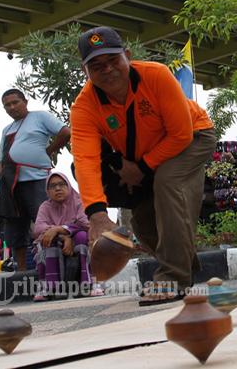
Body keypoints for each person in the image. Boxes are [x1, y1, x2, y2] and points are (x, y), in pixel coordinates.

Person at [70, 26, 216, 305]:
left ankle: (172, 276)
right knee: (142, 220)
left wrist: (143, 167)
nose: (108, 70)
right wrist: (97, 216)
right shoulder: (83, 108)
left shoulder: (156, 75)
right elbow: (86, 161)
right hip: (145, 157)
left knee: (168, 183)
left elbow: (180, 135)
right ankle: (184, 267)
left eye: (114, 60)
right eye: (97, 65)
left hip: (193, 136)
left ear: (127, 55)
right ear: (85, 71)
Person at [0, 89, 71, 271]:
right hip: (11, 185)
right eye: (7, 105)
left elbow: (65, 132)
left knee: (45, 223)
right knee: (16, 229)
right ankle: (21, 272)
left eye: (15, 102)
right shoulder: (6, 129)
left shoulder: (40, 117)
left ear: (26, 101)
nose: (12, 107)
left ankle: (58, 267)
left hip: (36, 180)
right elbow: (1, 159)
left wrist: (49, 150)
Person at [32, 172, 103, 301]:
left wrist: (60, 229)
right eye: (52, 186)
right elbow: (38, 229)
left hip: (78, 242)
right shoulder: (45, 207)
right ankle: (49, 287)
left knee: (82, 236)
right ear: (47, 191)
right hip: (57, 244)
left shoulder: (79, 202)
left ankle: (91, 283)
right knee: (46, 240)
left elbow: (86, 224)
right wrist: (64, 236)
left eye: (61, 184)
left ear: (69, 186)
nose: (57, 189)